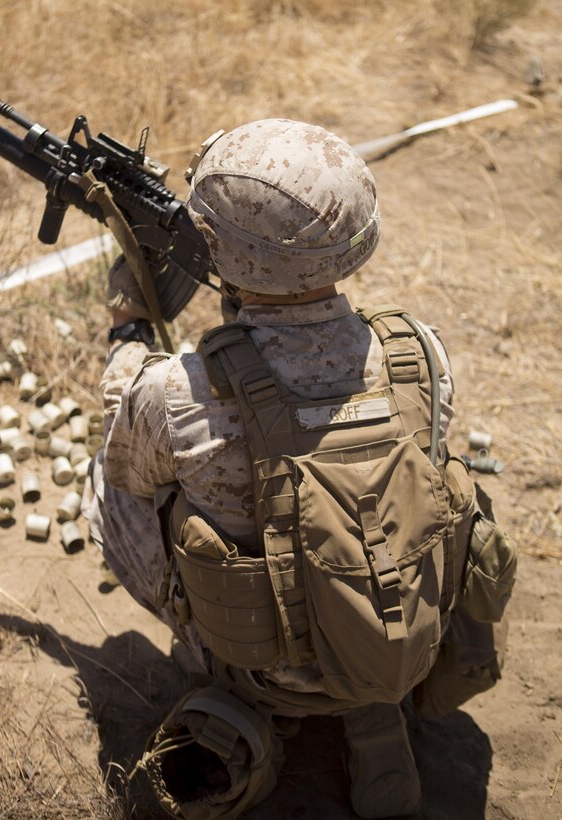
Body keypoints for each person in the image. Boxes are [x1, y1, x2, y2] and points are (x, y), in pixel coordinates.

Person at [83, 118, 513, 819]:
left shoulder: (176, 392)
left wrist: (129, 323)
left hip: (257, 662)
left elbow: (130, 471)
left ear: (220, 249)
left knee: (112, 479)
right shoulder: (419, 355)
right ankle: (373, 716)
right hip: (392, 642)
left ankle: (245, 707)